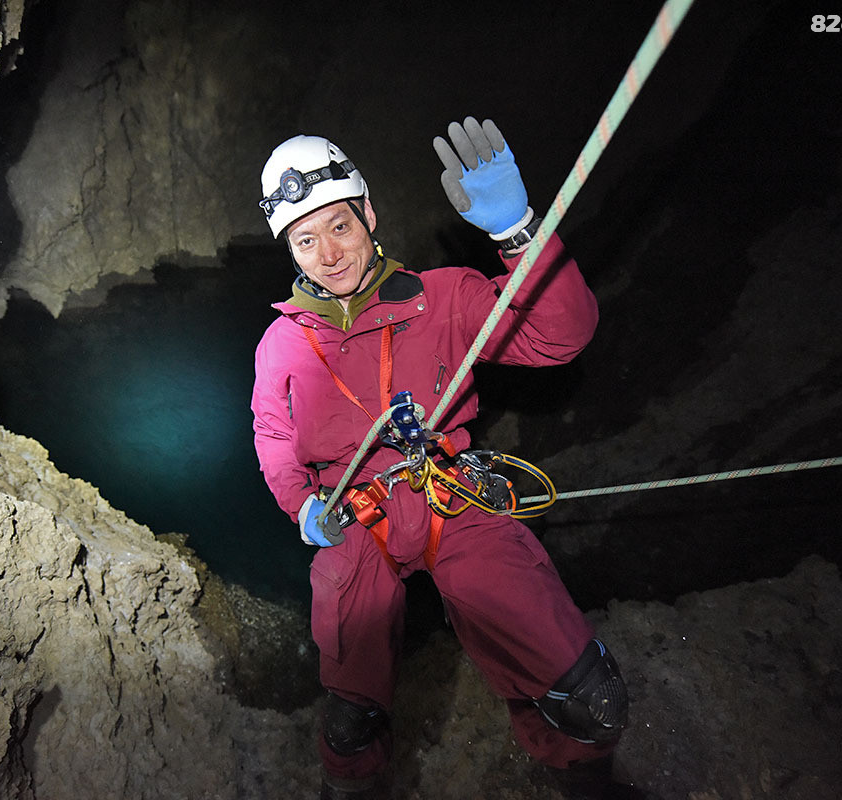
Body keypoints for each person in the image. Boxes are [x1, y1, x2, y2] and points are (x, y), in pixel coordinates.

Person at [251, 118, 633, 799]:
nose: (329, 253)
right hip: (358, 517)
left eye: (339, 226)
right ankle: (358, 785)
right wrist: (301, 505)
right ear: (290, 250)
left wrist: (517, 231)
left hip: (452, 495)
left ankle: (583, 779)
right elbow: (273, 437)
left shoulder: (445, 297)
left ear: (369, 213)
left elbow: (561, 336)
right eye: (306, 239)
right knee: (349, 719)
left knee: (587, 691)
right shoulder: (282, 346)